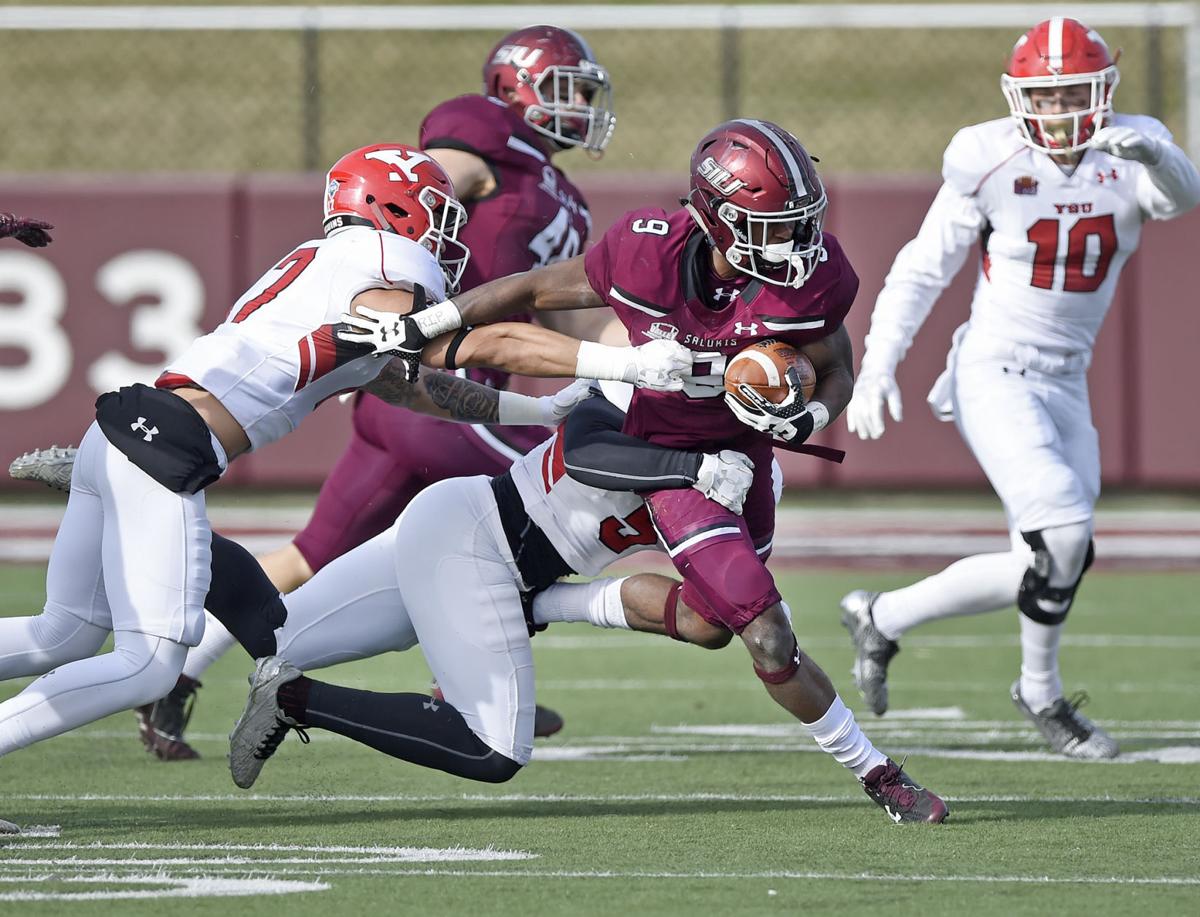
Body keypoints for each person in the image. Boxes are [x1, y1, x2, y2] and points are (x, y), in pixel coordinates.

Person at [0, 143, 688, 835]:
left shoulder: (328, 266)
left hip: (130, 431)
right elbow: (429, 338)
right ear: (389, 206)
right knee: (147, 666)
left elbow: (415, 385)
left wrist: (540, 409)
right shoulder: (390, 260)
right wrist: (617, 361)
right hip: (163, 445)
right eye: (435, 213)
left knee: (63, 631)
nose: (445, 235)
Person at [342, 119, 950, 822]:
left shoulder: (812, 276)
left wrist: (809, 419)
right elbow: (532, 288)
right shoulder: (645, 255)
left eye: (800, 223)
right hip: (674, 465)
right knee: (769, 633)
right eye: (777, 226)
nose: (799, 243)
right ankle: (880, 775)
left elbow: (835, 365)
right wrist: (428, 323)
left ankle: (539, 604)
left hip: (747, 458)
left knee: (710, 624)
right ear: (721, 220)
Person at [139, 25, 615, 756]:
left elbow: (584, 320)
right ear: (521, 85)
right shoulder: (485, 135)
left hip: (423, 408)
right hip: (432, 389)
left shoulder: (566, 197)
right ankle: (464, 685)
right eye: (570, 88)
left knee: (311, 555)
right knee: (541, 512)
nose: (581, 105)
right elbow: (416, 198)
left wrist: (647, 362)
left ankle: (174, 669)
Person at [191, 384, 942, 822]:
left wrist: (553, 603)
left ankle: (170, 536)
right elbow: (586, 444)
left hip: (484, 558)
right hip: (470, 533)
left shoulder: (750, 489)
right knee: (493, 749)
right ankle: (157, 512)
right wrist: (687, 462)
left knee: (275, 629)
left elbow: (722, 623)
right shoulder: (649, 387)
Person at [839, 17, 1200, 758]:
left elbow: (1182, 198)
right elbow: (921, 268)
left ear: (1104, 91)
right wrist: (878, 365)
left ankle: (885, 617)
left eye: (1076, 92)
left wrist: (1157, 155)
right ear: (1018, 97)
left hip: (1067, 380)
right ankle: (1038, 692)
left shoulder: (1133, 148)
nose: (1063, 109)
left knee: (1061, 555)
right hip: (994, 368)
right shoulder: (988, 156)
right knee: (1063, 530)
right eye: (1049, 94)